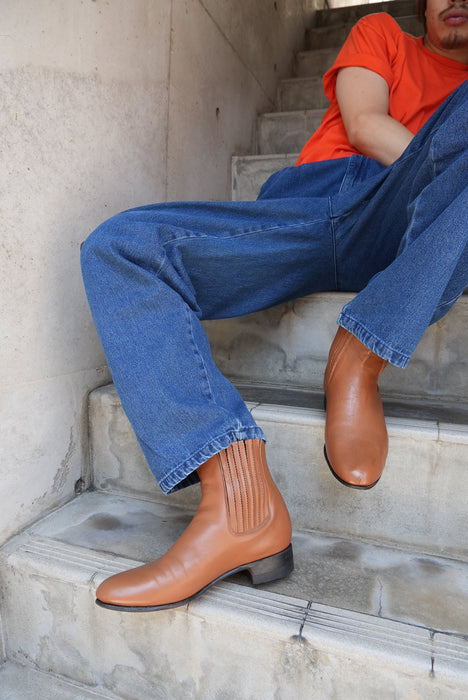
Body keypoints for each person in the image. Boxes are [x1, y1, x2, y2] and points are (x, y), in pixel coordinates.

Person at [80, 0, 468, 612]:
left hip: (405, 229)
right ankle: (241, 503)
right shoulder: (383, 34)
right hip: (313, 205)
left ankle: (361, 352)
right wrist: (438, 169)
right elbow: (365, 123)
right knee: (121, 247)